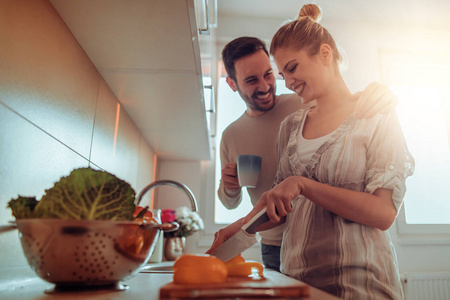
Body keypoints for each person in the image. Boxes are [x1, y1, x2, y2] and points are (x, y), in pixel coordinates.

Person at [210, 4, 415, 299]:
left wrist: (302, 185)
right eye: (283, 74)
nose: (286, 82)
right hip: (296, 281)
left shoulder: (376, 113)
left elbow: (383, 213)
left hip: (361, 282)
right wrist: (240, 228)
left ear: (325, 54)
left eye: (290, 68)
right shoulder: (290, 125)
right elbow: (280, 205)